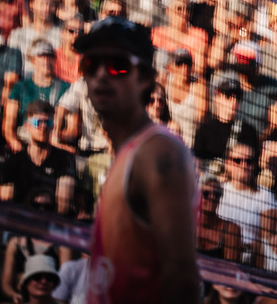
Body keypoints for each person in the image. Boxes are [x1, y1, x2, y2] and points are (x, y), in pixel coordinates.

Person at [73, 17, 200, 303]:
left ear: (145, 78)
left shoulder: (156, 152)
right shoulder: (128, 154)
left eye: (118, 65)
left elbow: (182, 279)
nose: (102, 75)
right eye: (91, 64)